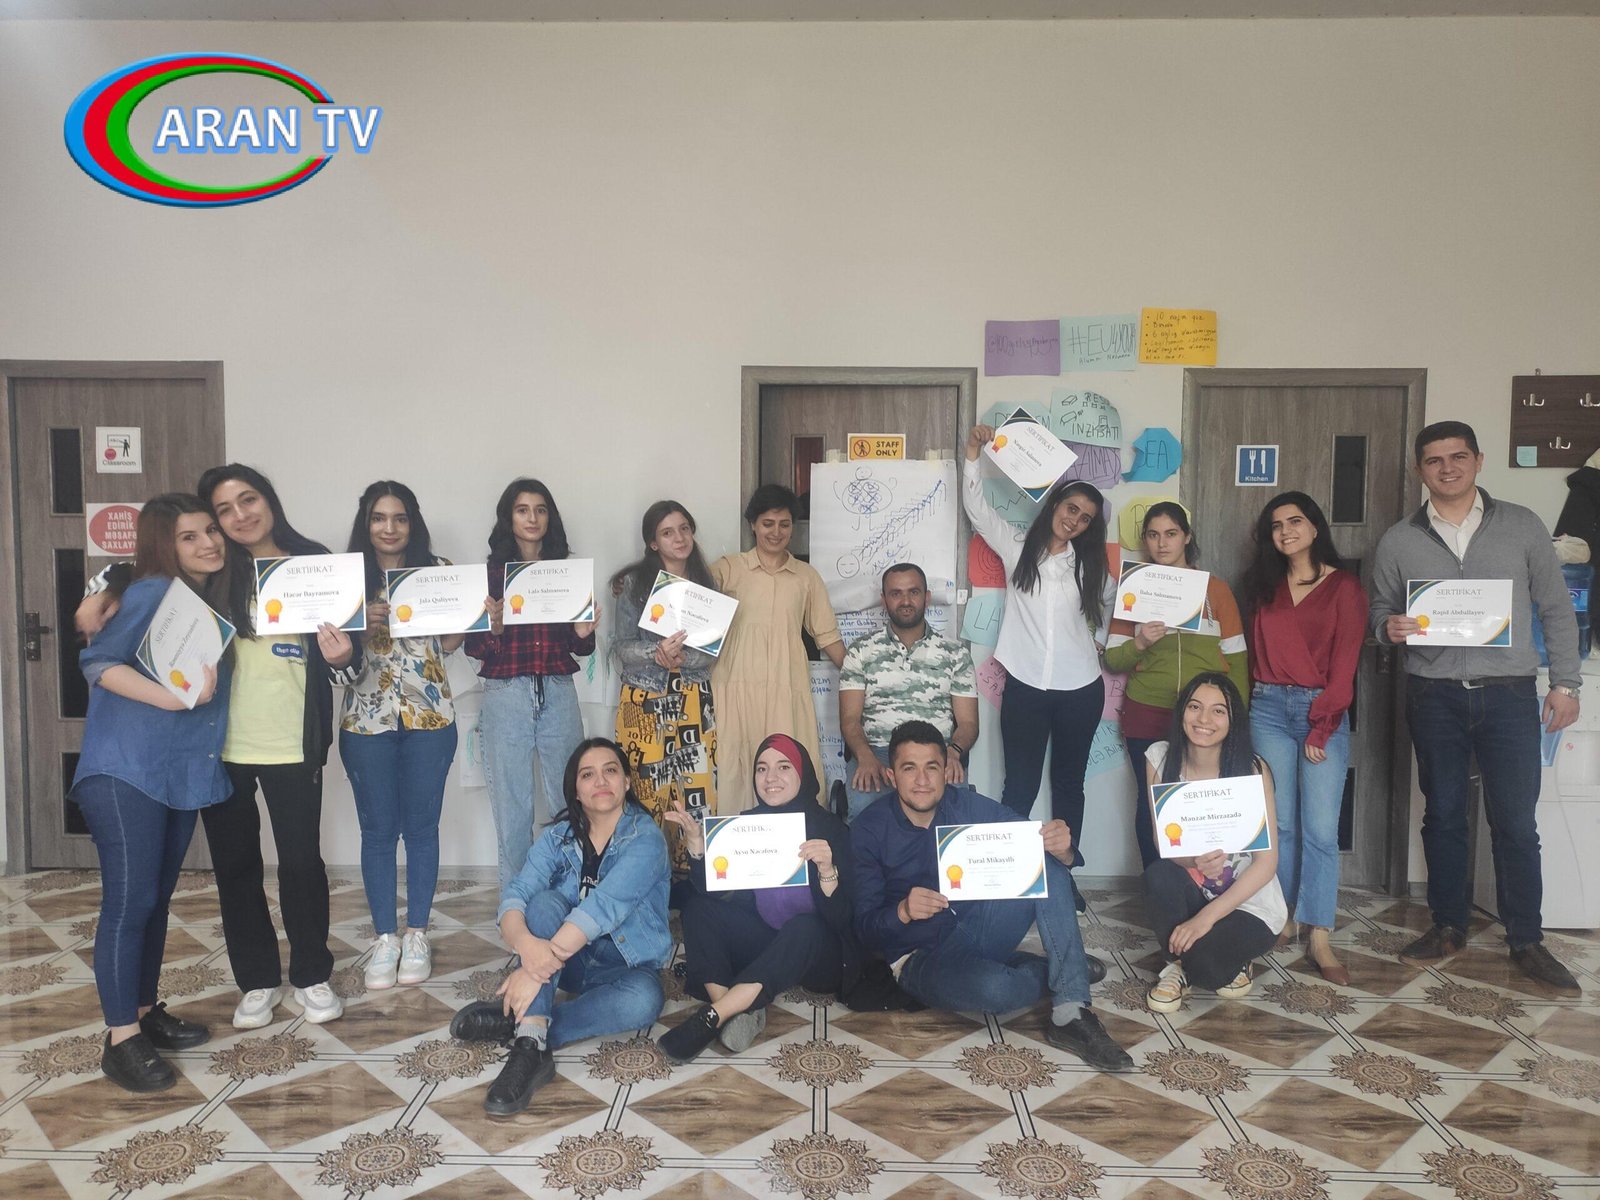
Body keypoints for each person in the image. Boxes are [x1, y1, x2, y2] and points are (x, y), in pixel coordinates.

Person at [1372, 420, 1582, 995]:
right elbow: (1380, 611)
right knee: (1443, 814)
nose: (1447, 468)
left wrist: (1566, 684)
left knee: (1515, 821)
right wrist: (1388, 627)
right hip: (1433, 694)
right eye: (1434, 460)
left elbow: (1556, 608)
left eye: (1458, 457)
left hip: (1509, 693)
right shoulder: (1399, 539)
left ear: (1478, 461)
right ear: (1420, 469)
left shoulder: (1522, 525)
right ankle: (1448, 925)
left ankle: (1526, 938)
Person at [851, 721, 1132, 1072]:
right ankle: (1062, 969)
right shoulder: (868, 830)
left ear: (946, 772)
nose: (922, 780)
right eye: (910, 768)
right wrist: (903, 911)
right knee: (997, 990)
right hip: (918, 958)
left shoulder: (966, 805)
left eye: (932, 768)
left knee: (1043, 863)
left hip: (976, 928)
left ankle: (1069, 1011)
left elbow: (1028, 838)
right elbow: (864, 929)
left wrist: (1062, 848)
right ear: (892, 776)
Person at [72, 494, 233, 1092]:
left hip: (172, 772)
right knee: (130, 900)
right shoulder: (150, 592)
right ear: (166, 544)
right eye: (189, 536)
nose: (208, 543)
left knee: (155, 899)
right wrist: (170, 698)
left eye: (210, 530)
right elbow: (98, 662)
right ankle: (121, 1041)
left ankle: (142, 1013)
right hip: (126, 770)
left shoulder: (197, 599)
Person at [198, 464, 360, 1028]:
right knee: (235, 865)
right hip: (221, 747)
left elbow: (348, 662)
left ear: (268, 500)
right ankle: (257, 980)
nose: (240, 515)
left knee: (300, 862)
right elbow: (138, 576)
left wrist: (342, 656)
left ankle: (312, 974)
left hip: (293, 743)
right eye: (224, 509)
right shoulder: (211, 571)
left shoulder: (314, 562)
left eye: (248, 499)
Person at [448, 739, 670, 1114]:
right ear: (576, 791)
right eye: (588, 774)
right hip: (569, 964)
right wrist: (528, 949)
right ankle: (531, 1046)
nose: (601, 780)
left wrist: (532, 971)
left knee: (645, 999)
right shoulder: (558, 837)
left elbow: (603, 907)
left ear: (627, 782)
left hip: (623, 965)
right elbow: (514, 898)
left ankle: (522, 1023)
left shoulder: (646, 839)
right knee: (544, 904)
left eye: (611, 770)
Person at [962, 426, 1115, 855]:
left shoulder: (1089, 566)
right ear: (1055, 504)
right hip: (1025, 685)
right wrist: (973, 452)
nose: (1074, 520)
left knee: (1068, 785)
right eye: (1071, 508)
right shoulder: (1017, 548)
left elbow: (1114, 601)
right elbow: (977, 510)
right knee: (1020, 784)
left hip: (1080, 689)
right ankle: (1011, 870)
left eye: (1085, 518)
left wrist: (1100, 641)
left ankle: (1065, 869)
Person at [656, 734, 855, 1063]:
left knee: (805, 926)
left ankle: (712, 1017)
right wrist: (697, 846)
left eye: (783, 767)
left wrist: (827, 870)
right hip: (764, 941)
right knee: (698, 908)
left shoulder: (831, 830)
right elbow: (713, 892)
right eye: (762, 768)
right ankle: (735, 1010)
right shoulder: (748, 824)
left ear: (802, 773)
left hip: (819, 955)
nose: (770, 777)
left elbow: (844, 920)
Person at [341, 481, 461, 990]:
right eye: (378, 518)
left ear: (413, 523)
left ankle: (417, 934)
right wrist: (358, 626)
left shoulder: (438, 573)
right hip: (365, 722)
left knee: (422, 829)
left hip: (429, 719)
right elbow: (334, 659)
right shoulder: (346, 581)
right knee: (377, 832)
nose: (389, 528)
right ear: (366, 523)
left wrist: (479, 619)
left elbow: (449, 644)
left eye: (400, 517)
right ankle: (385, 938)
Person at [1242, 491, 1365, 986]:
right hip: (1268, 708)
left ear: (1315, 527)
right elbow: (1252, 656)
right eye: (1277, 525)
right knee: (1280, 825)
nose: (1286, 531)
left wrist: (1324, 723)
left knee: (1319, 829)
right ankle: (1282, 917)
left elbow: (1346, 662)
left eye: (1295, 521)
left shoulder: (1345, 588)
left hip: (1321, 711)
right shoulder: (1263, 587)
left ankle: (1318, 932)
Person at [466, 478, 596, 891]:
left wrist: (583, 631)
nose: (532, 518)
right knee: (513, 808)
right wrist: (495, 628)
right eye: (522, 510)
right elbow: (474, 648)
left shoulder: (567, 573)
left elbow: (580, 646)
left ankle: (571, 896)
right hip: (506, 693)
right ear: (509, 518)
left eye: (540, 510)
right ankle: (516, 907)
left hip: (557, 688)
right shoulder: (489, 577)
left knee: (571, 800)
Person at [1106, 503, 1249, 868]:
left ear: (1187, 537)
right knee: (1153, 804)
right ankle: (1157, 884)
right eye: (1153, 535)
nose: (1162, 543)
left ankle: (1205, 885)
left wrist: (1235, 716)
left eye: (1171, 534)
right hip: (1147, 710)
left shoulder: (1216, 590)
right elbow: (1114, 659)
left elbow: (1237, 660)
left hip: (1205, 717)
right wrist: (1141, 643)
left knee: (1205, 802)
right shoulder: (1133, 590)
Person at [1141, 674, 1287, 1011]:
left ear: (1233, 720)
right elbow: (1164, 844)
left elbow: (1266, 864)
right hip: (1197, 891)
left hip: (1250, 905)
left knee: (1207, 969)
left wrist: (1204, 919)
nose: (1204, 719)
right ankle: (1177, 967)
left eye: (1218, 711)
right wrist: (1193, 861)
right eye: (1195, 707)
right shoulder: (1160, 758)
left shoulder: (1253, 769)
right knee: (1157, 875)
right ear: (1182, 711)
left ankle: (1203, 963)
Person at [710, 484, 844, 809]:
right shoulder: (728, 569)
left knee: (785, 763)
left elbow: (827, 636)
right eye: (768, 523)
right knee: (733, 765)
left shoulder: (806, 577)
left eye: (784, 524)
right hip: (733, 687)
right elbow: (689, 606)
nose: (776, 532)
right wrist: (631, 580)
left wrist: (862, 679)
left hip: (786, 686)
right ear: (753, 525)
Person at [610, 501, 719, 875]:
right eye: (668, 532)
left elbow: (711, 651)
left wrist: (683, 658)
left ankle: (693, 879)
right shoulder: (634, 585)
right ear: (653, 542)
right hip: (644, 698)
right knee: (646, 792)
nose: (680, 538)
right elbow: (621, 646)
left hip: (693, 698)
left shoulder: (705, 585)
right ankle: (646, 877)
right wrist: (654, 653)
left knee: (696, 791)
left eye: (685, 529)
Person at [838, 563, 979, 821]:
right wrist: (865, 757)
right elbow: (849, 720)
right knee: (864, 813)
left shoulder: (955, 653)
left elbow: (969, 723)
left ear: (927, 597)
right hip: (878, 751)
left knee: (953, 816)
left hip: (936, 753)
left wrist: (953, 752)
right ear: (884, 600)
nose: (905, 601)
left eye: (913, 592)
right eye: (896, 593)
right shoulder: (860, 651)